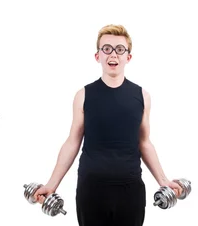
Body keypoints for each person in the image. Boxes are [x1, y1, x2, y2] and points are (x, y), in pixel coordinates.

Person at [32, 24, 184, 226]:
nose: (113, 54)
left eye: (120, 49)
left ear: (128, 57)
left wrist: (163, 180)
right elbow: (72, 142)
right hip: (91, 188)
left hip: (130, 190)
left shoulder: (142, 96)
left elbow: (145, 142)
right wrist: (52, 184)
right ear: (98, 56)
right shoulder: (83, 95)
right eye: (107, 49)